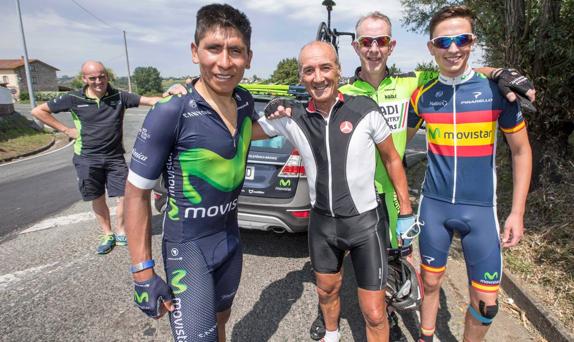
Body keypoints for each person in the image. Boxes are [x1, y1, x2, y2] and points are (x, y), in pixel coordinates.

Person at [308, 11, 536, 341]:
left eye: (381, 41)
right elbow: (312, 105)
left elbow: (455, 72)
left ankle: (389, 315)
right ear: (356, 47)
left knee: (387, 264)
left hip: (392, 194)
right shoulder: (344, 92)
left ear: (391, 46)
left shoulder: (411, 86)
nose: (374, 48)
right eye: (367, 42)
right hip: (351, 197)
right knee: (334, 266)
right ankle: (326, 312)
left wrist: (497, 72)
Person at [124, 4, 270, 342]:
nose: (224, 61)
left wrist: (290, 115)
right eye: (213, 48)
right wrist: (142, 272)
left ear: (248, 57)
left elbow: (252, 130)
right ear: (195, 52)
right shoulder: (171, 110)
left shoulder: (246, 101)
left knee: (220, 322)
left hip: (230, 241)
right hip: (188, 248)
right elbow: (135, 194)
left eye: (235, 50)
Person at [257, 40, 416, 342]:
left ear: (339, 71)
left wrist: (406, 210)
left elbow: (392, 158)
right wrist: (211, 94)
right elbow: (242, 130)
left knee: (373, 311)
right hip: (323, 225)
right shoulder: (292, 117)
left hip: (365, 224)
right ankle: (332, 335)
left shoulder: (364, 109)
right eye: (309, 71)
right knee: (327, 292)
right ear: (301, 77)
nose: (318, 77)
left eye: (325, 67)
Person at [406, 6, 532, 341]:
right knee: (430, 281)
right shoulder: (422, 96)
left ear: (472, 42)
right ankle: (426, 335)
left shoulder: (497, 92)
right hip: (434, 206)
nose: (453, 48)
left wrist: (517, 212)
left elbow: (521, 151)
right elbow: (393, 145)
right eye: (443, 41)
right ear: (431, 47)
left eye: (462, 39)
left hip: (480, 211)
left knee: (487, 304)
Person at [31, 60, 161, 254]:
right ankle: (107, 233)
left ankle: (121, 230)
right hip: (86, 157)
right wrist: (66, 129)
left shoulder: (119, 96)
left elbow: (151, 100)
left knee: (124, 195)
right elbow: (38, 111)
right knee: (97, 196)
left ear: (107, 76)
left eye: (102, 76)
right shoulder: (73, 98)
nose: (98, 81)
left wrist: (175, 92)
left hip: (115, 157)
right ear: (84, 79)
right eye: (93, 78)